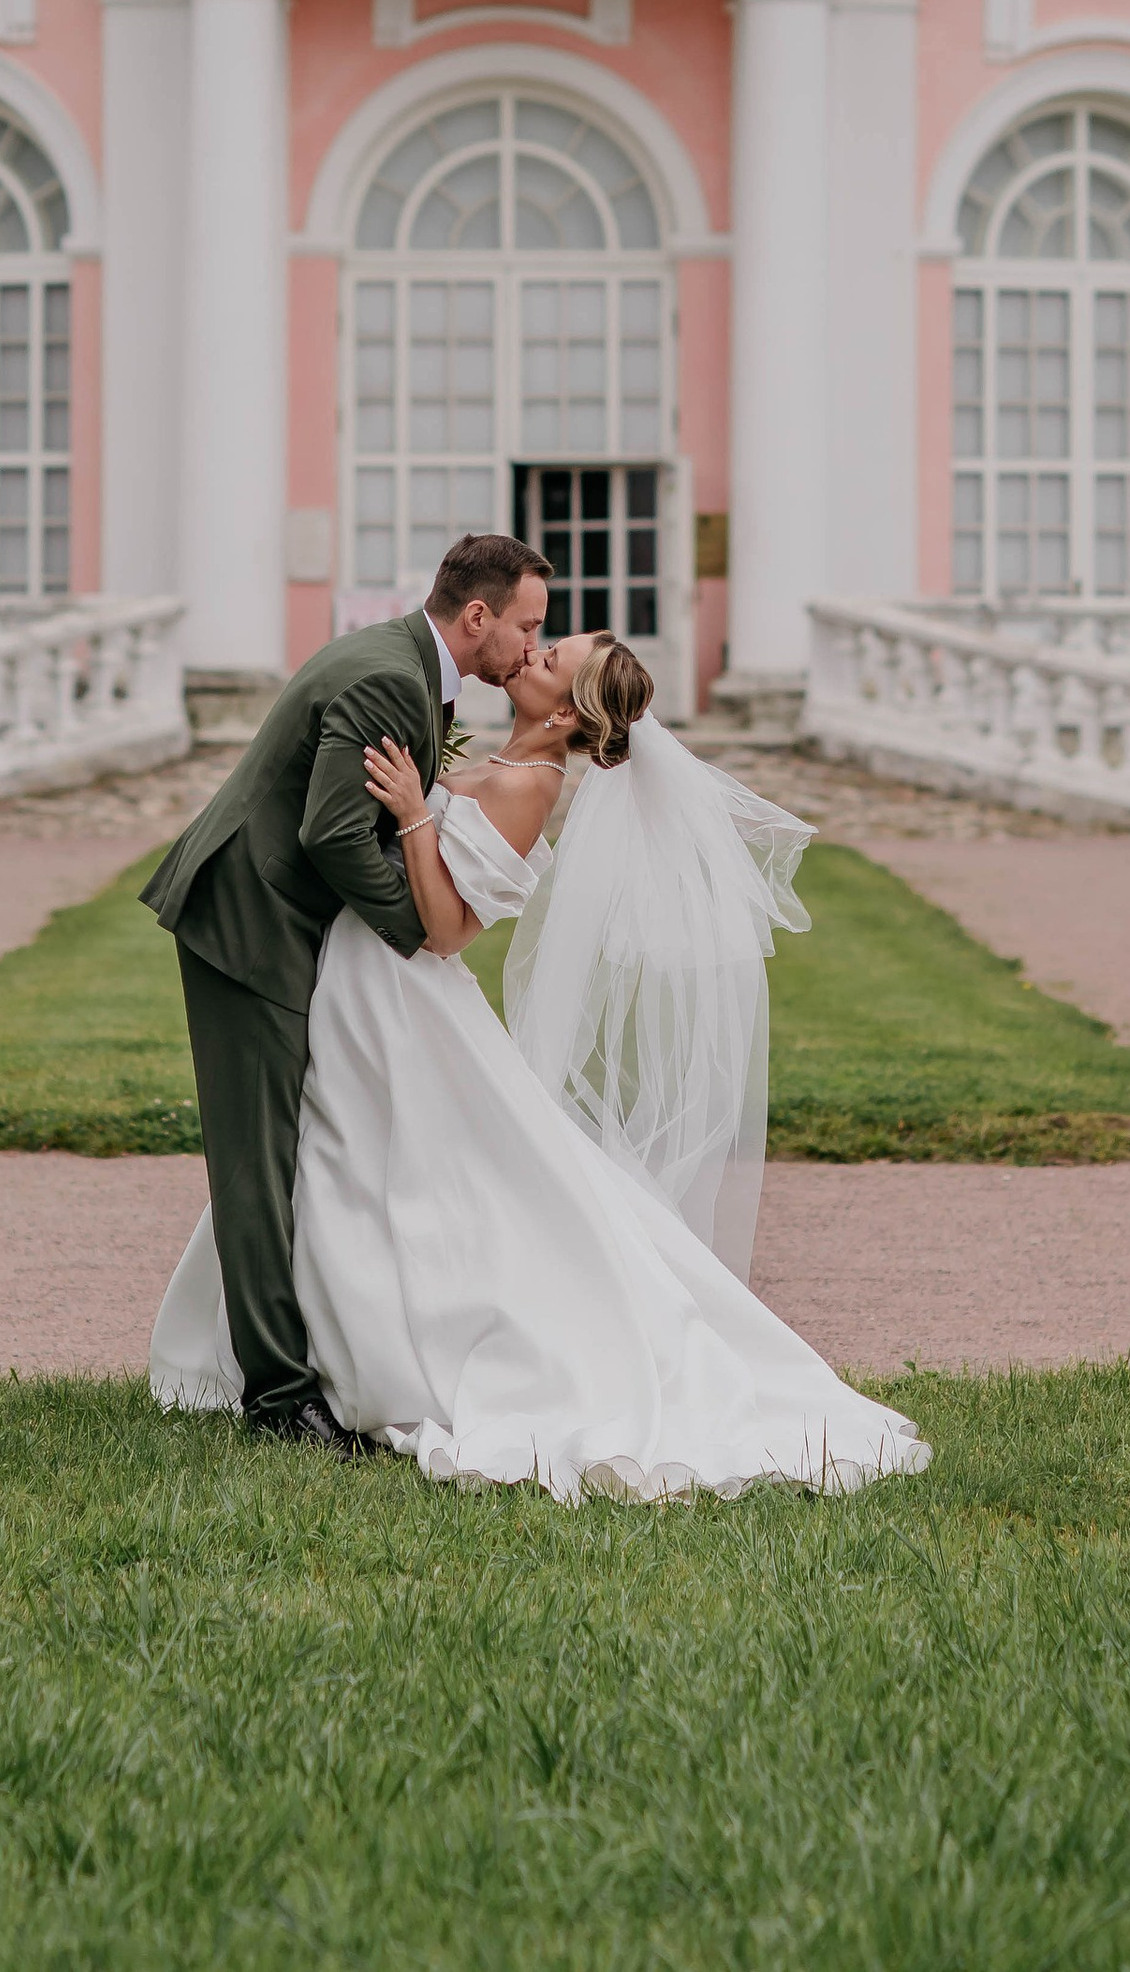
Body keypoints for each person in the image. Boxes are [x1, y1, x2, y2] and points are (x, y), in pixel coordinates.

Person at [150, 620, 928, 1505]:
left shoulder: (531, 784)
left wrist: (411, 810)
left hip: (400, 992)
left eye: (551, 658)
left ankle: (356, 1360)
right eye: (541, 636)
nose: (532, 651)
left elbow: (446, 927)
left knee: (385, 1166)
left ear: (565, 716)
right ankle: (299, 1356)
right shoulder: (499, 757)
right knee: (334, 1154)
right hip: (358, 978)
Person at [140, 530, 551, 1452]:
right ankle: (279, 1401)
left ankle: (292, 1374)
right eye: (526, 627)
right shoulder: (390, 679)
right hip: (250, 926)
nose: (531, 647)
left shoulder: (403, 666)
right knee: (257, 1168)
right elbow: (332, 832)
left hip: (277, 926)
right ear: (475, 615)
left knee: (284, 1158)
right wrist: (416, 933)